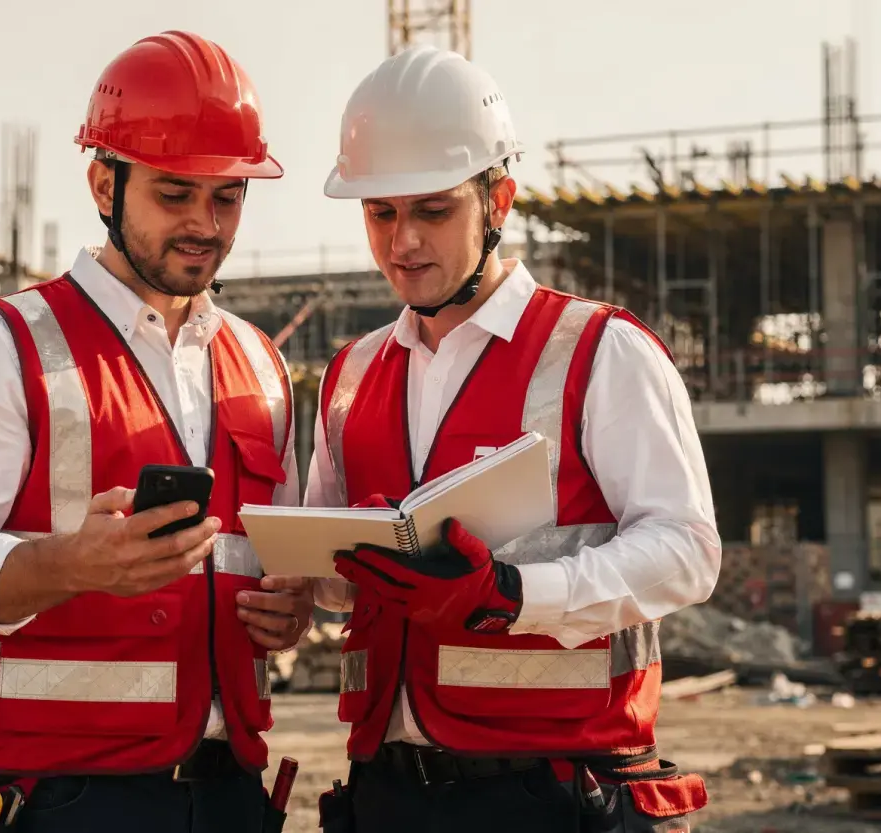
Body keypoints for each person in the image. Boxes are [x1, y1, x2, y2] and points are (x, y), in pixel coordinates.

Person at [0, 30, 314, 833]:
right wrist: (64, 563)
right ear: (103, 185)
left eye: (227, 196)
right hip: (56, 797)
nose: (204, 223)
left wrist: (288, 613)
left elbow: (259, 559)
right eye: (174, 193)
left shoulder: (260, 363)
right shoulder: (3, 343)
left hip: (228, 793)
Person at [307, 45, 722, 833]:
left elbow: (688, 550)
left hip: (554, 791)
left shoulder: (599, 350)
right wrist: (314, 574)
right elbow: (329, 586)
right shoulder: (350, 375)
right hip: (386, 792)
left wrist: (513, 594)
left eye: (433, 210)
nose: (403, 243)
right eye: (380, 212)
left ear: (499, 199)